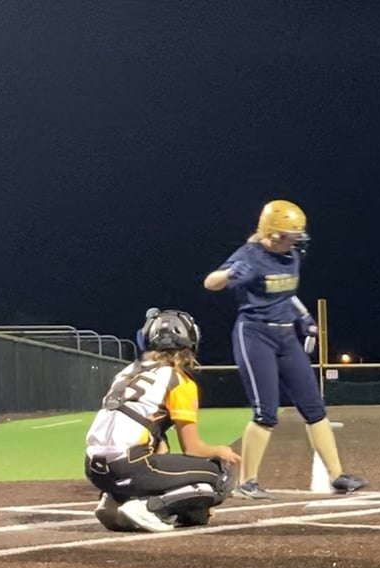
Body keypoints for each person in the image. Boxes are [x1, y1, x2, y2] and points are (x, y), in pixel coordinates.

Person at [202, 199, 365, 499]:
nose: (297, 241)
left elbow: (286, 293)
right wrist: (230, 274)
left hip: (287, 336)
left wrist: (302, 316)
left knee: (314, 409)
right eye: (292, 235)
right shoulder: (250, 254)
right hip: (255, 334)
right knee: (266, 412)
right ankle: (247, 481)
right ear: (273, 234)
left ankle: (337, 475)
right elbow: (210, 282)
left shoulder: (292, 256)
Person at [84, 309, 240, 532]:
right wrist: (221, 451)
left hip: (94, 469)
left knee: (158, 457)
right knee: (219, 475)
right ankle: (149, 507)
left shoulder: (127, 372)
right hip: (129, 466)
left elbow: (155, 436)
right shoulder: (179, 380)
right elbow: (193, 449)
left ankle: (114, 499)